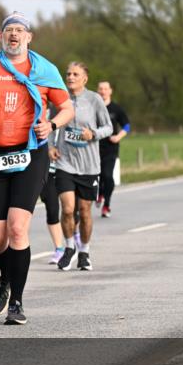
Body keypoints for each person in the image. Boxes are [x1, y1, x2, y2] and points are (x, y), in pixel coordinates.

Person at [0, 12, 74, 325]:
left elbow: (67, 108)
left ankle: (18, 303)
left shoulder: (44, 70)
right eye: (8, 30)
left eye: (19, 31)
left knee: (17, 228)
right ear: (1, 37)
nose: (14, 35)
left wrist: (51, 124)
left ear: (29, 37)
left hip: (31, 154)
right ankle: (6, 278)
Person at [53, 63, 112, 271]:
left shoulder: (94, 100)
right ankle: (69, 248)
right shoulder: (59, 97)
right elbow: (51, 123)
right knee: (68, 208)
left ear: (85, 79)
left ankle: (84, 252)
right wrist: (50, 146)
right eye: (68, 74)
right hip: (65, 162)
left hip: (89, 165)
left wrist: (93, 134)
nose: (70, 77)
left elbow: (109, 127)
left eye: (75, 74)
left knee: (84, 211)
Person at [95, 81, 130, 218]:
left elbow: (127, 126)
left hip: (111, 148)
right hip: (94, 148)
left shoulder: (116, 109)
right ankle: (100, 193)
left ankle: (106, 205)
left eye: (105, 89)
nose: (103, 91)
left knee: (107, 176)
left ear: (110, 91)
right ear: (97, 91)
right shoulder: (94, 108)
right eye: (100, 89)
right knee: (97, 176)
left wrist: (118, 137)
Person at [39, 123, 66, 265]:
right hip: (47, 171)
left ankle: (76, 240)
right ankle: (59, 248)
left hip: (68, 169)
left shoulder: (70, 113)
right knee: (52, 208)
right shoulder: (42, 114)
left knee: (71, 209)